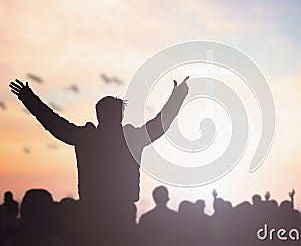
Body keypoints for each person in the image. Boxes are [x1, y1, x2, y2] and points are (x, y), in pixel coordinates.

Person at [9, 77, 189, 245]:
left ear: (99, 115)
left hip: (93, 216)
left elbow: (54, 123)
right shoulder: (131, 138)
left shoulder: (86, 137)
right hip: (118, 216)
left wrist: (29, 99)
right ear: (119, 116)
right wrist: (178, 96)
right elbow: (160, 124)